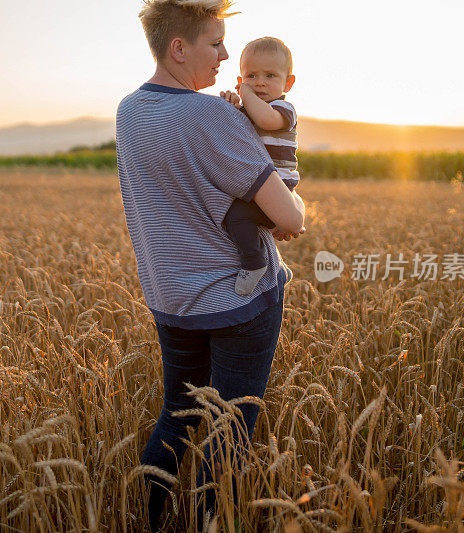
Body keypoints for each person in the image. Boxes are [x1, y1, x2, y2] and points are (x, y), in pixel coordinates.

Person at [115, 0, 306, 530]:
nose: (227, 57)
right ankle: (207, 523)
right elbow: (288, 213)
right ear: (179, 47)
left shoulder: (129, 110)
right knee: (231, 430)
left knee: (176, 416)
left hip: (171, 300)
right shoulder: (213, 115)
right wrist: (295, 214)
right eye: (216, 43)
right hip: (239, 303)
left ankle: (148, 519)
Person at [219, 36, 301, 295]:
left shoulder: (283, 109)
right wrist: (232, 105)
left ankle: (254, 262)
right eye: (251, 75)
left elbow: (265, 120)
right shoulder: (249, 108)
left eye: (270, 76)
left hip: (277, 185)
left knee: (236, 215)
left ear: (288, 83)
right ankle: (267, 258)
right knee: (235, 214)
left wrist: (245, 92)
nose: (260, 83)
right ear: (241, 77)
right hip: (258, 183)